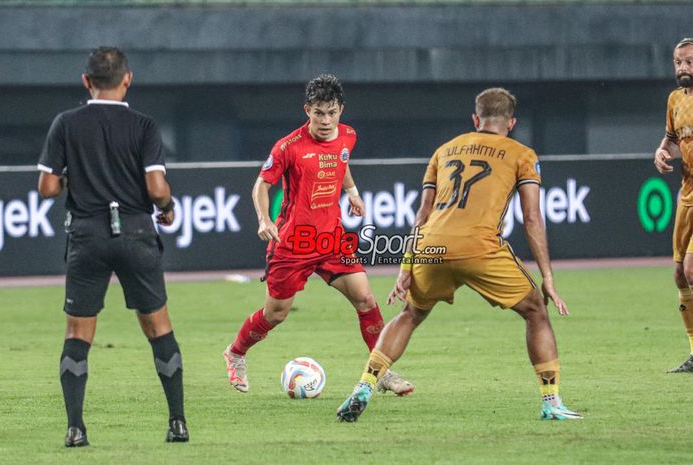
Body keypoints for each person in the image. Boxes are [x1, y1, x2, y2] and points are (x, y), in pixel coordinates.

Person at [337, 87, 582, 422]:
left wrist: (406, 265)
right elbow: (532, 218)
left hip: (431, 246)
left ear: (475, 119)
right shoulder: (522, 153)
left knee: (410, 314)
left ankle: (365, 385)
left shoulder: (444, 150)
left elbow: (422, 213)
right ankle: (551, 402)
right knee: (536, 310)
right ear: (510, 122)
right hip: (479, 247)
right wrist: (548, 279)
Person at [222, 74, 413, 396]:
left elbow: (342, 162)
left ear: (340, 109)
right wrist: (263, 219)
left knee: (366, 299)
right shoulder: (289, 147)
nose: (326, 121)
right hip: (292, 245)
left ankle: (381, 372)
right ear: (307, 110)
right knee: (276, 313)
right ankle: (236, 353)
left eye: (332, 112)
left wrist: (352, 192)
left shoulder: (348, 135)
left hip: (331, 240)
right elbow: (261, 185)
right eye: (319, 113)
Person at [37, 47, 188, 447]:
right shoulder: (144, 125)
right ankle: (177, 424)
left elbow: (48, 187)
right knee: (158, 327)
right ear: (127, 79)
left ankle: (75, 429)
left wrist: (78, 179)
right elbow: (157, 189)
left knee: (78, 332)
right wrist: (168, 207)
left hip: (87, 235)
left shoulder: (66, 123)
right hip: (136, 233)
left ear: (86, 81)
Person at [654, 37, 693, 373]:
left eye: (690, 62)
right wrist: (661, 151)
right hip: (687, 191)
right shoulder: (675, 100)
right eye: (678, 62)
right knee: (680, 275)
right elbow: (670, 138)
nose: (683, 68)